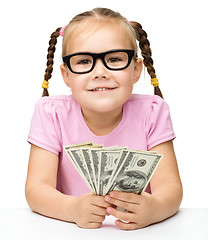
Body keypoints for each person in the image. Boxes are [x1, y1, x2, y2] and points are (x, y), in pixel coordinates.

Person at [25, 7, 183, 230]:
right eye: (83, 62)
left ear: (136, 70)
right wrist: (71, 209)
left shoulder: (152, 112)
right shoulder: (51, 113)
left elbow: (171, 188)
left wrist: (155, 208)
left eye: (115, 59)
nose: (100, 72)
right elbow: (36, 189)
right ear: (66, 75)